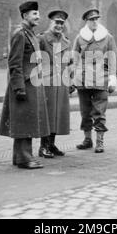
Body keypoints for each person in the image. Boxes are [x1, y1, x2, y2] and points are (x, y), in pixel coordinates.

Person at [0, 2, 50, 170]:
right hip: (24, 85)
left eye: (38, 13)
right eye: (35, 13)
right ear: (25, 15)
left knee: (27, 120)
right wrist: (19, 88)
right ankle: (25, 158)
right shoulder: (20, 34)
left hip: (31, 84)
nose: (38, 16)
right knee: (24, 122)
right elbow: (14, 63)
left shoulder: (30, 34)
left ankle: (20, 157)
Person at [73, 9, 117, 154]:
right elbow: (75, 59)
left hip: (101, 79)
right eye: (92, 19)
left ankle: (99, 142)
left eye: (96, 19)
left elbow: (112, 58)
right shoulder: (80, 38)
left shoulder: (108, 37)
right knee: (85, 112)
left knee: (99, 112)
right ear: (86, 21)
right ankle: (87, 139)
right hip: (83, 79)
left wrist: (113, 77)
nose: (95, 22)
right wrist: (73, 76)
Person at [37, 10, 73, 158]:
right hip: (47, 83)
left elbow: (70, 63)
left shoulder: (66, 42)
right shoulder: (42, 39)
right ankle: (43, 146)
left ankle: (51, 144)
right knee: (47, 115)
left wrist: (71, 81)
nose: (59, 25)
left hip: (62, 83)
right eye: (56, 22)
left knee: (58, 114)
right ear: (50, 22)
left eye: (61, 23)